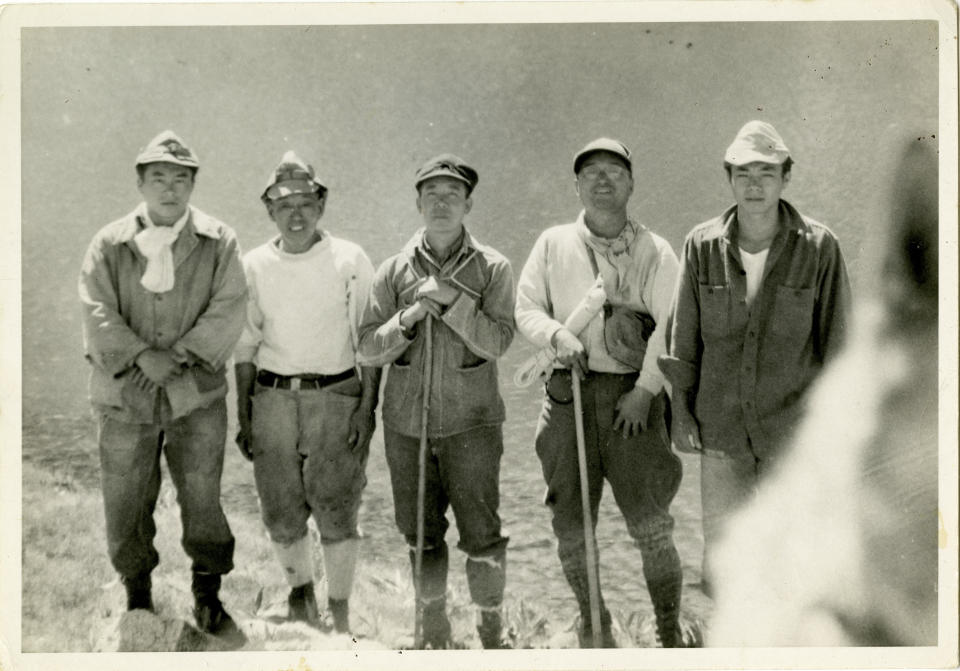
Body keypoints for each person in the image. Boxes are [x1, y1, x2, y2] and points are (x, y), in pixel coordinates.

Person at [659, 120, 851, 595]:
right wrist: (680, 412)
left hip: (794, 439)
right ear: (729, 179)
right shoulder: (700, 246)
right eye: (743, 173)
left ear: (787, 177)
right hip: (721, 434)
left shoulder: (820, 248)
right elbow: (681, 342)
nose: (754, 184)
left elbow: (841, 351)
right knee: (726, 565)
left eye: (767, 172)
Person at [78, 130, 248, 646]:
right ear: (140, 182)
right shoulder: (109, 244)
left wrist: (175, 355)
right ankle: (136, 591)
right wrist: (138, 355)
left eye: (180, 179)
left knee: (202, 494)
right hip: (125, 394)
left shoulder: (219, 241)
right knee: (126, 495)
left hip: (194, 393)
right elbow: (95, 308)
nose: (169, 189)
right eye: (159, 178)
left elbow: (229, 306)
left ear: (193, 185)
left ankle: (208, 591)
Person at [515, 138, 685, 648]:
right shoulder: (551, 244)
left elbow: (671, 328)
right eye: (591, 172)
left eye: (614, 171)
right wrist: (556, 335)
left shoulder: (656, 251)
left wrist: (645, 391)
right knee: (570, 520)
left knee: (651, 522)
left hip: (633, 401)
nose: (602, 180)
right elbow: (525, 308)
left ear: (631, 183)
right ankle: (595, 623)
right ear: (577, 184)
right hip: (567, 395)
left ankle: (669, 631)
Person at [357, 154, 515, 649]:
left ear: (468, 203)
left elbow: (499, 343)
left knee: (482, 534)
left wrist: (453, 303)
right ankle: (434, 631)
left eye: (452, 195)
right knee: (420, 535)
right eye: (432, 195)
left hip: (473, 426)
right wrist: (408, 318)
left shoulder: (493, 268)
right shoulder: (392, 271)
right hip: (407, 427)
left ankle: (491, 631)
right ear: (418, 203)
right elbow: (366, 347)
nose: (442, 203)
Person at [233, 151, 380, 634]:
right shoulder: (254, 264)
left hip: (336, 394)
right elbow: (246, 344)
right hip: (272, 396)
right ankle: (301, 599)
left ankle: (339, 612)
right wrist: (246, 413)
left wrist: (366, 410)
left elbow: (371, 342)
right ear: (269, 210)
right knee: (279, 505)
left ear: (321, 204)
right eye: (283, 203)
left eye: (305, 201)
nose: (295, 212)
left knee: (337, 505)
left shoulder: (349, 259)